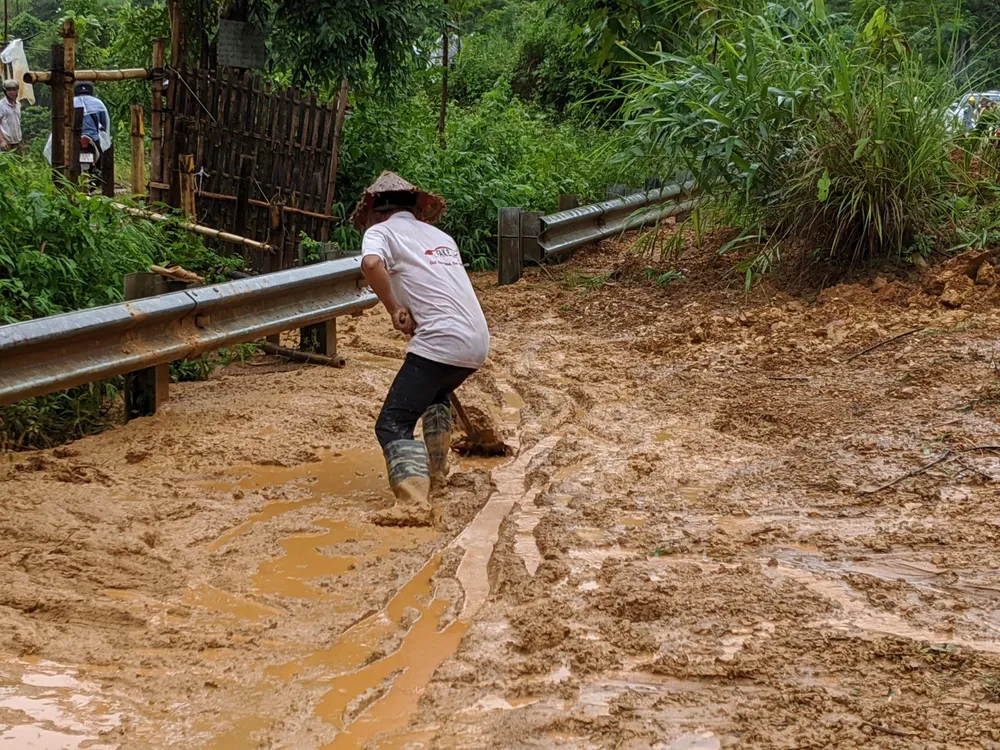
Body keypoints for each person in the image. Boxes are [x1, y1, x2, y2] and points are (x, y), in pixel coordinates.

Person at [353, 171, 490, 527]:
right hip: (476, 342)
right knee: (434, 395)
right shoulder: (440, 237)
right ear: (416, 209)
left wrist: (393, 308)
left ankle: (414, 503)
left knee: (393, 423)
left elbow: (370, 264)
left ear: (375, 211)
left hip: (440, 340)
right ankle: (436, 472)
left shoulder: (380, 232)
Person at [73, 81, 110, 156]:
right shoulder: (98, 103)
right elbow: (104, 122)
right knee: (105, 153)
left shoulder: (71, 102)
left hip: (73, 138)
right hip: (94, 138)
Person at [0, 79, 22, 153]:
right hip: (6, 143)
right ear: (5, 91)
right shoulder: (1, 105)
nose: (12, 92)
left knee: (20, 163)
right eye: (9, 90)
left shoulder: (18, 105)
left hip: (18, 141)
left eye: (14, 89)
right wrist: (1, 141)